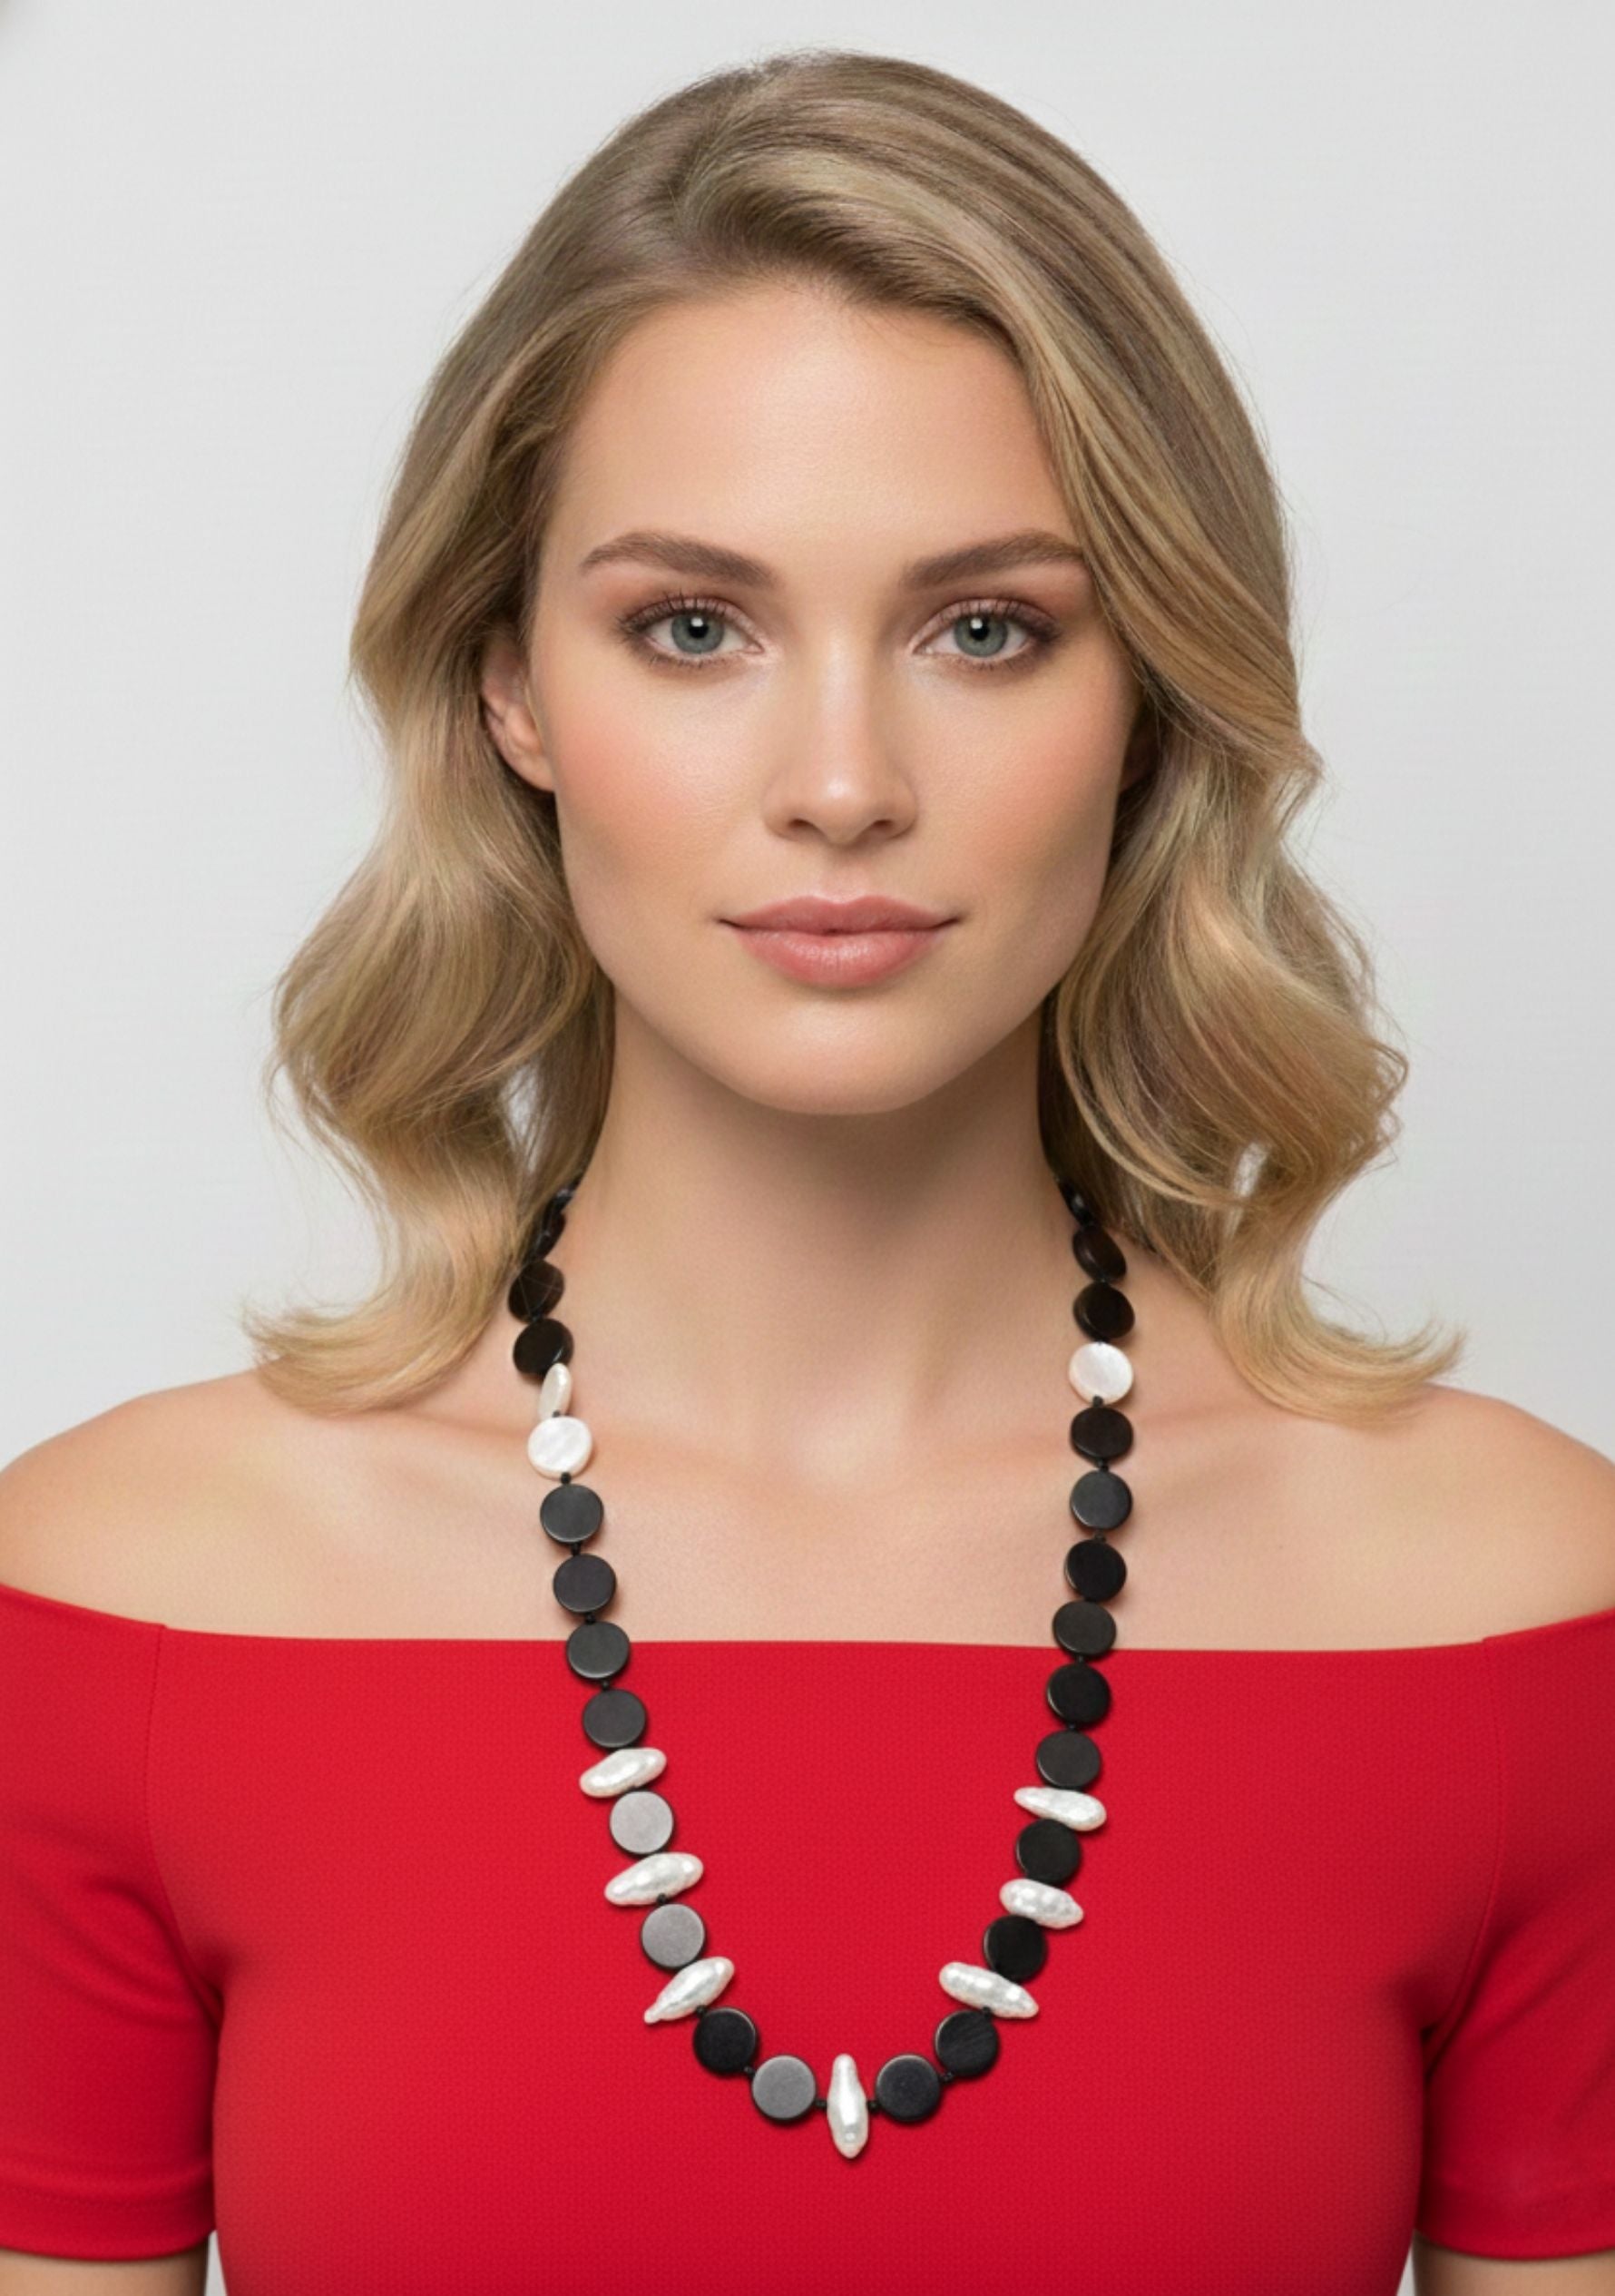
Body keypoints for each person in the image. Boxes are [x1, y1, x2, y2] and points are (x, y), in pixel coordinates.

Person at [2, 46, 1611, 2296]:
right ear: (508, 686)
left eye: (984, 629)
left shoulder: (1511, 1611)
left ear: (1147, 697)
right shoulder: (117, 1608)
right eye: (692, 626)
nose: (840, 780)